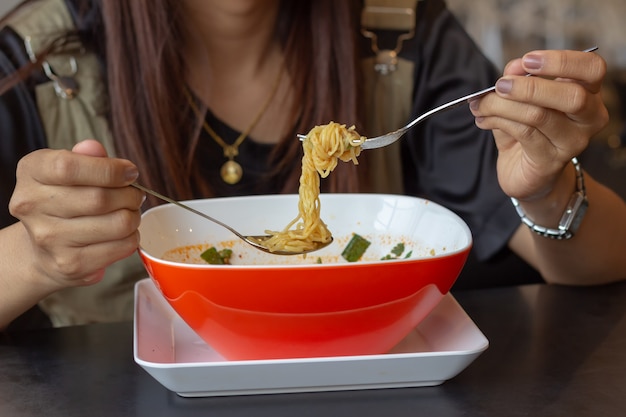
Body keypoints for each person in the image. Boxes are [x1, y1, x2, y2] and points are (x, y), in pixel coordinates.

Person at [0, 0, 625, 330]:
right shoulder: (36, 57)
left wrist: (543, 187)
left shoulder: (401, 33)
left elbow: (605, 261)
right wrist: (30, 258)